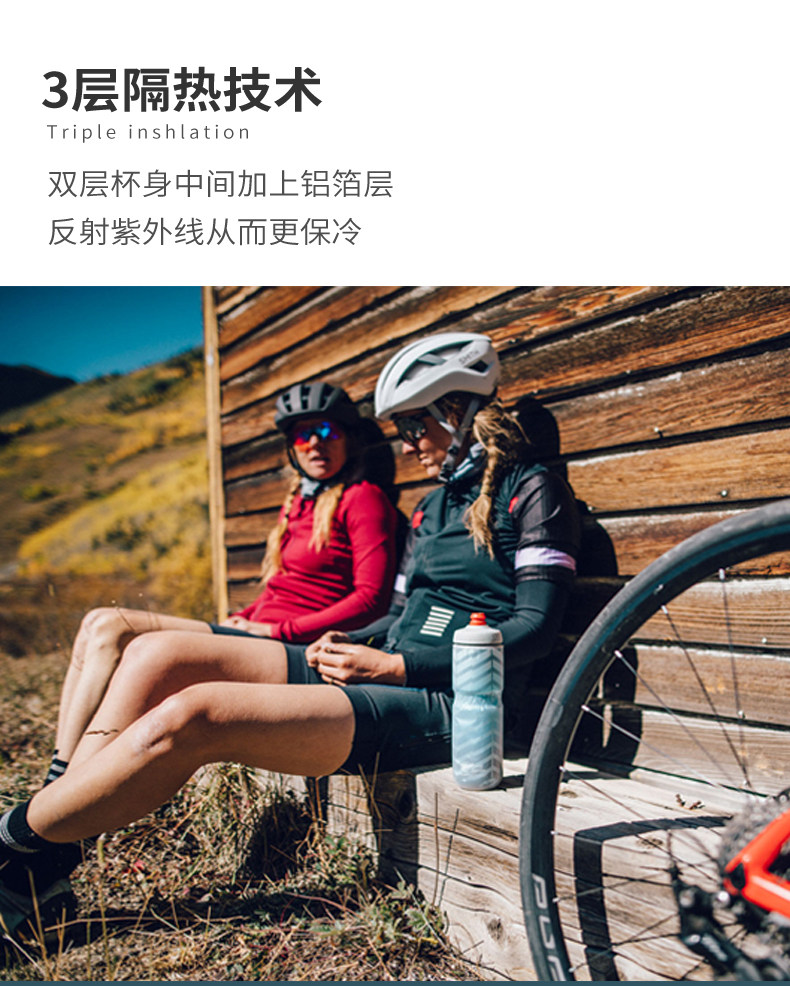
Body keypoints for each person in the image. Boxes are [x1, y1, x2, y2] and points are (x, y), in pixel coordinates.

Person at [0, 332, 581, 941]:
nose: (408, 443)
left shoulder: (532, 490)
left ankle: (15, 843)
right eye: (401, 429)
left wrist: (395, 668)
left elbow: (535, 629)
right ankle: (46, 858)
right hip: (387, 666)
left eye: (415, 425)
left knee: (197, 714)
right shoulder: (432, 508)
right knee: (154, 651)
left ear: (457, 413)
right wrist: (346, 640)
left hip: (452, 701)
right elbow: (397, 612)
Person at [47, 382, 398, 780]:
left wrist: (275, 630)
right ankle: (61, 771)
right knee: (97, 621)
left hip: (289, 645)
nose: (316, 444)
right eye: (304, 435)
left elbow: (371, 600)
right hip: (258, 631)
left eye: (327, 431)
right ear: (292, 448)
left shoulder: (363, 498)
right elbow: (284, 586)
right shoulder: (299, 502)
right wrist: (246, 615)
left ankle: (63, 784)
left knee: (115, 626)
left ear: (348, 439)